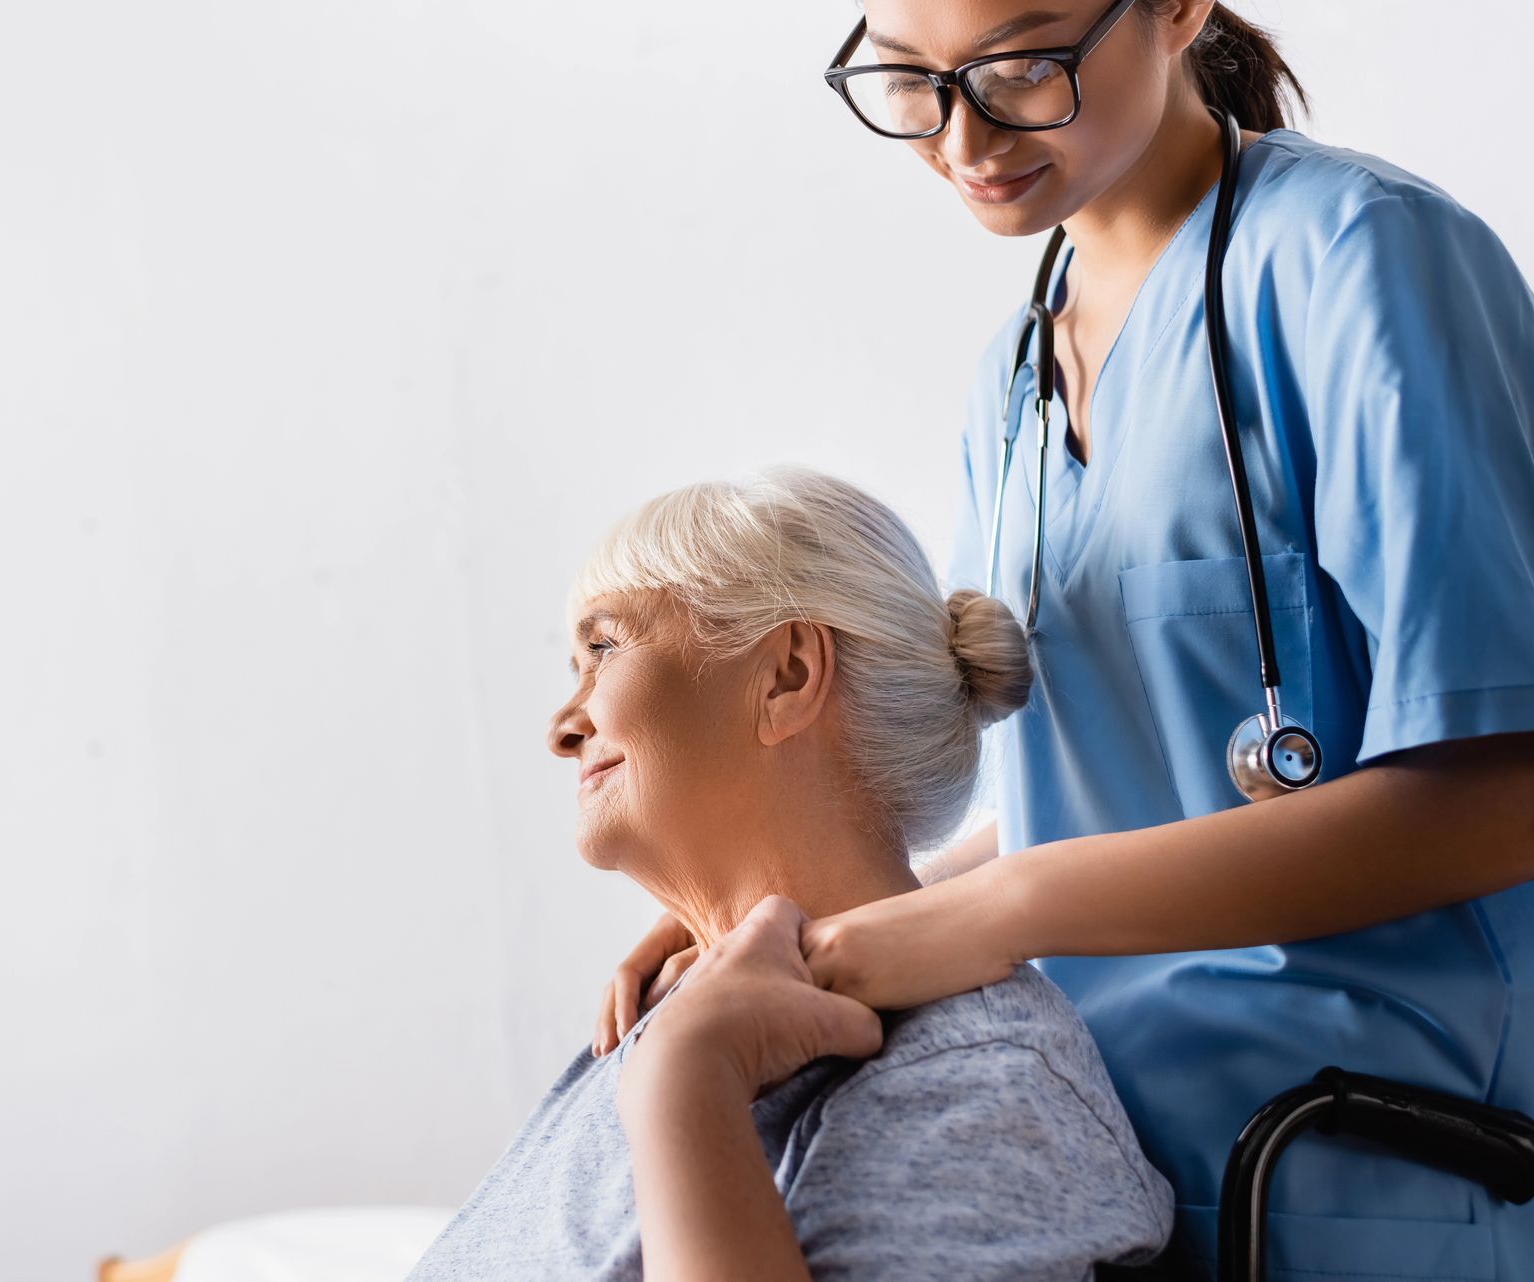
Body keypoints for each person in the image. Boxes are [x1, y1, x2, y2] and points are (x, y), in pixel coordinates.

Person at [593, 4, 1534, 1278]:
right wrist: (789, 921)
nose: (965, 136)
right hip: (1090, 1176)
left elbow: (1501, 792)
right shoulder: (1015, 381)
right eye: (912, 84)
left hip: (1362, 1167)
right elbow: (1097, 789)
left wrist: (1001, 912)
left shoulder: (1363, 261)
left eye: (1024, 65)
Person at [408, 467, 1174, 1280]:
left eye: (604, 648)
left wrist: (684, 1085)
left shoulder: (975, 1084)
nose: (564, 728)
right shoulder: (666, 1016)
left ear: (788, 676)